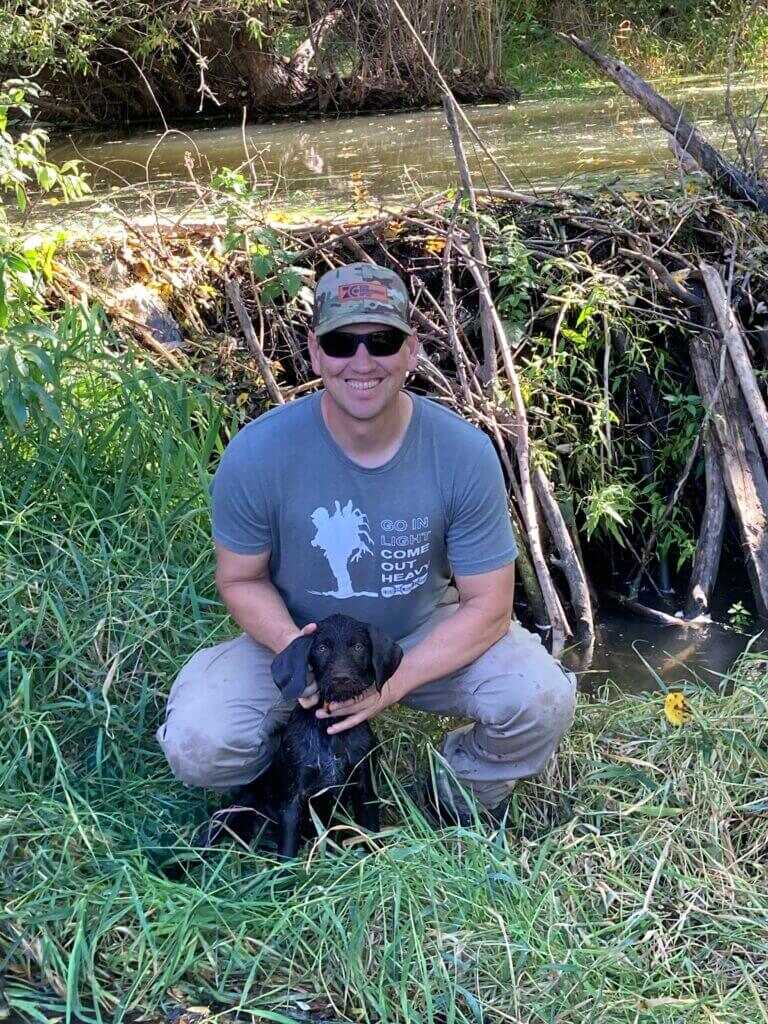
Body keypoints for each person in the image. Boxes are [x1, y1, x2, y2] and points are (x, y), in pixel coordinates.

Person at [156, 262, 576, 825]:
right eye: (340, 342)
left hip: (420, 631)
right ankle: (286, 783)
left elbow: (490, 606)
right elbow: (240, 579)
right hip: (303, 637)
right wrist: (296, 654)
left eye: (381, 341)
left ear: (411, 350)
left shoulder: (464, 453)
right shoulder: (257, 454)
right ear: (315, 352)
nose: (361, 361)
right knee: (198, 743)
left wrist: (391, 683)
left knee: (541, 700)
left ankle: (455, 794)